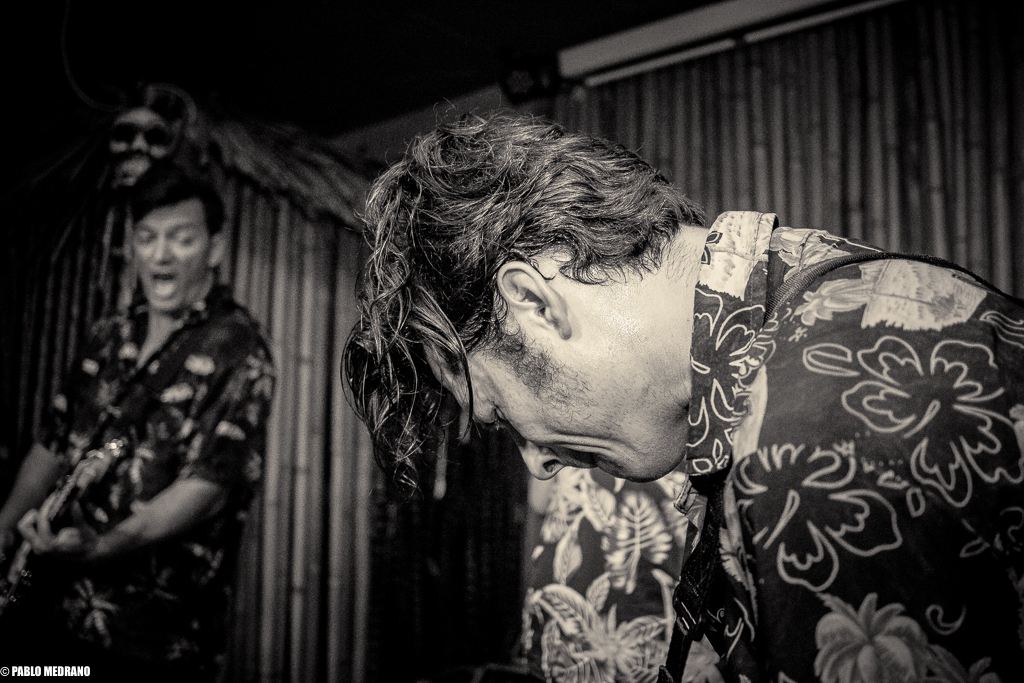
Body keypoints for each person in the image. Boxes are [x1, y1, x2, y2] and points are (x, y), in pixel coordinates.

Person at [343, 112, 1024, 682]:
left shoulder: (809, 434)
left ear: (532, 303)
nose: (537, 463)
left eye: (500, 413)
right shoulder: (821, 315)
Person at [0, 164, 275, 680]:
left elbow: (208, 487)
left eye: (181, 238)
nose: (160, 254)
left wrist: (103, 547)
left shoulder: (239, 347)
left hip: (150, 637)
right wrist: (5, 527)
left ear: (215, 248)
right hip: (50, 609)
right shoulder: (108, 334)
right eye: (147, 238)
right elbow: (53, 441)